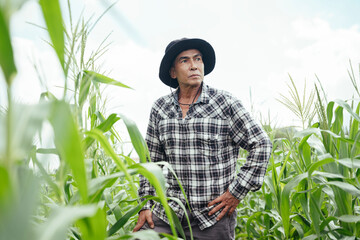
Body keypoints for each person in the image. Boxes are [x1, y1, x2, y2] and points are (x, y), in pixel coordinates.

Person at [133, 38, 272, 239]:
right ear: (173, 72)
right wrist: (145, 205)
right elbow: (150, 162)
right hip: (169, 214)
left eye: (198, 59)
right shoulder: (160, 109)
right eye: (185, 61)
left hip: (212, 216)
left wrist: (235, 192)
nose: (194, 66)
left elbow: (261, 144)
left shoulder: (225, 103)